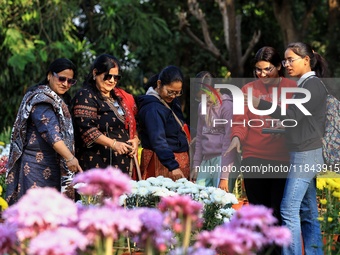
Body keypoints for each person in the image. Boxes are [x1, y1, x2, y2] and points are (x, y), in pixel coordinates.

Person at [251, 42, 328, 255]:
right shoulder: (304, 85)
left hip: (305, 155)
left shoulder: (312, 86)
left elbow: (293, 116)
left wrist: (262, 105)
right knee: (307, 211)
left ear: (306, 60)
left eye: (291, 59)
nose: (286, 65)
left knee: (288, 209)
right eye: (285, 60)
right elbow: (301, 122)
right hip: (302, 152)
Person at [226, 46, 297, 229]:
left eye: (268, 69)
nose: (262, 74)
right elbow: (240, 121)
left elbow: (298, 119)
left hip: (282, 158)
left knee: (278, 212)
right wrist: (236, 138)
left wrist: (287, 125)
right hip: (254, 157)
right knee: (258, 213)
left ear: (279, 67)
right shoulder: (247, 90)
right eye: (258, 69)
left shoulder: (292, 88)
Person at [5, 58, 82, 205]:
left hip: (54, 163)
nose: (65, 84)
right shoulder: (40, 99)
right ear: (49, 76)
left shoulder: (58, 100)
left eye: (70, 81)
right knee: (34, 214)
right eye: (61, 78)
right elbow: (51, 133)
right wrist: (70, 158)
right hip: (35, 167)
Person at [72, 54, 139, 175]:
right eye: (108, 76)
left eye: (116, 77)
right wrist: (113, 144)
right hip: (97, 166)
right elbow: (87, 130)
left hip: (120, 165)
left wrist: (135, 140)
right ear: (95, 73)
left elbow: (130, 123)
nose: (112, 81)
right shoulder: (86, 95)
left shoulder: (118, 97)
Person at [138, 65, 190, 181]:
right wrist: (173, 165)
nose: (173, 96)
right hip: (163, 162)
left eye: (177, 93)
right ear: (159, 83)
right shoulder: (153, 108)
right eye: (170, 92)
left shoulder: (172, 101)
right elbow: (158, 140)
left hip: (175, 160)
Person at [191, 71, 236, 190]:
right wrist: (196, 166)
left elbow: (228, 142)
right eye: (200, 98)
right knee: (199, 197)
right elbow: (200, 137)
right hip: (206, 159)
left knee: (220, 202)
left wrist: (224, 177)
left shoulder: (227, 107)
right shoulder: (202, 106)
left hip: (222, 159)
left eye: (207, 96)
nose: (204, 101)